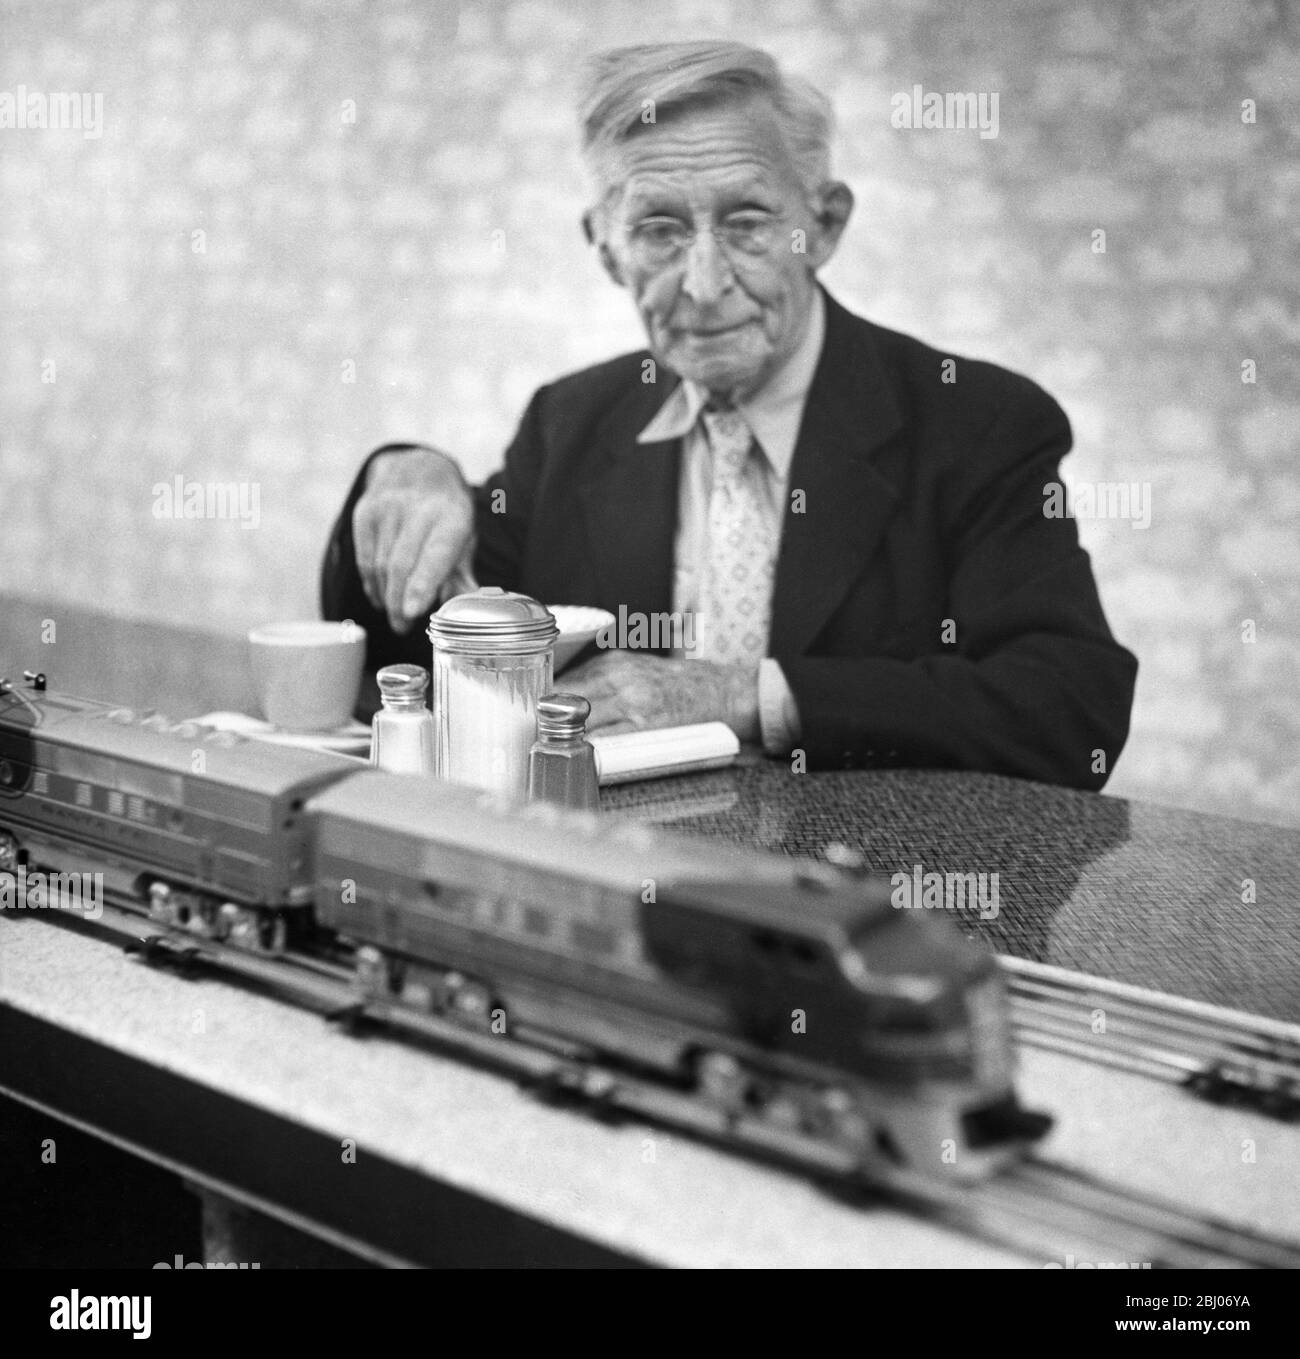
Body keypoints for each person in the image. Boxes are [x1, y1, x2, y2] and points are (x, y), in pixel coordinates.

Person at [321, 40, 1137, 790]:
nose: (705, 283)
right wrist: (403, 472)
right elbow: (416, 651)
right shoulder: (570, 420)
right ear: (605, 247)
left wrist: (744, 695)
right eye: (660, 231)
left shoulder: (978, 423)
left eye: (746, 224)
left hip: (872, 909)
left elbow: (1069, 707)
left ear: (822, 227)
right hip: (613, 897)